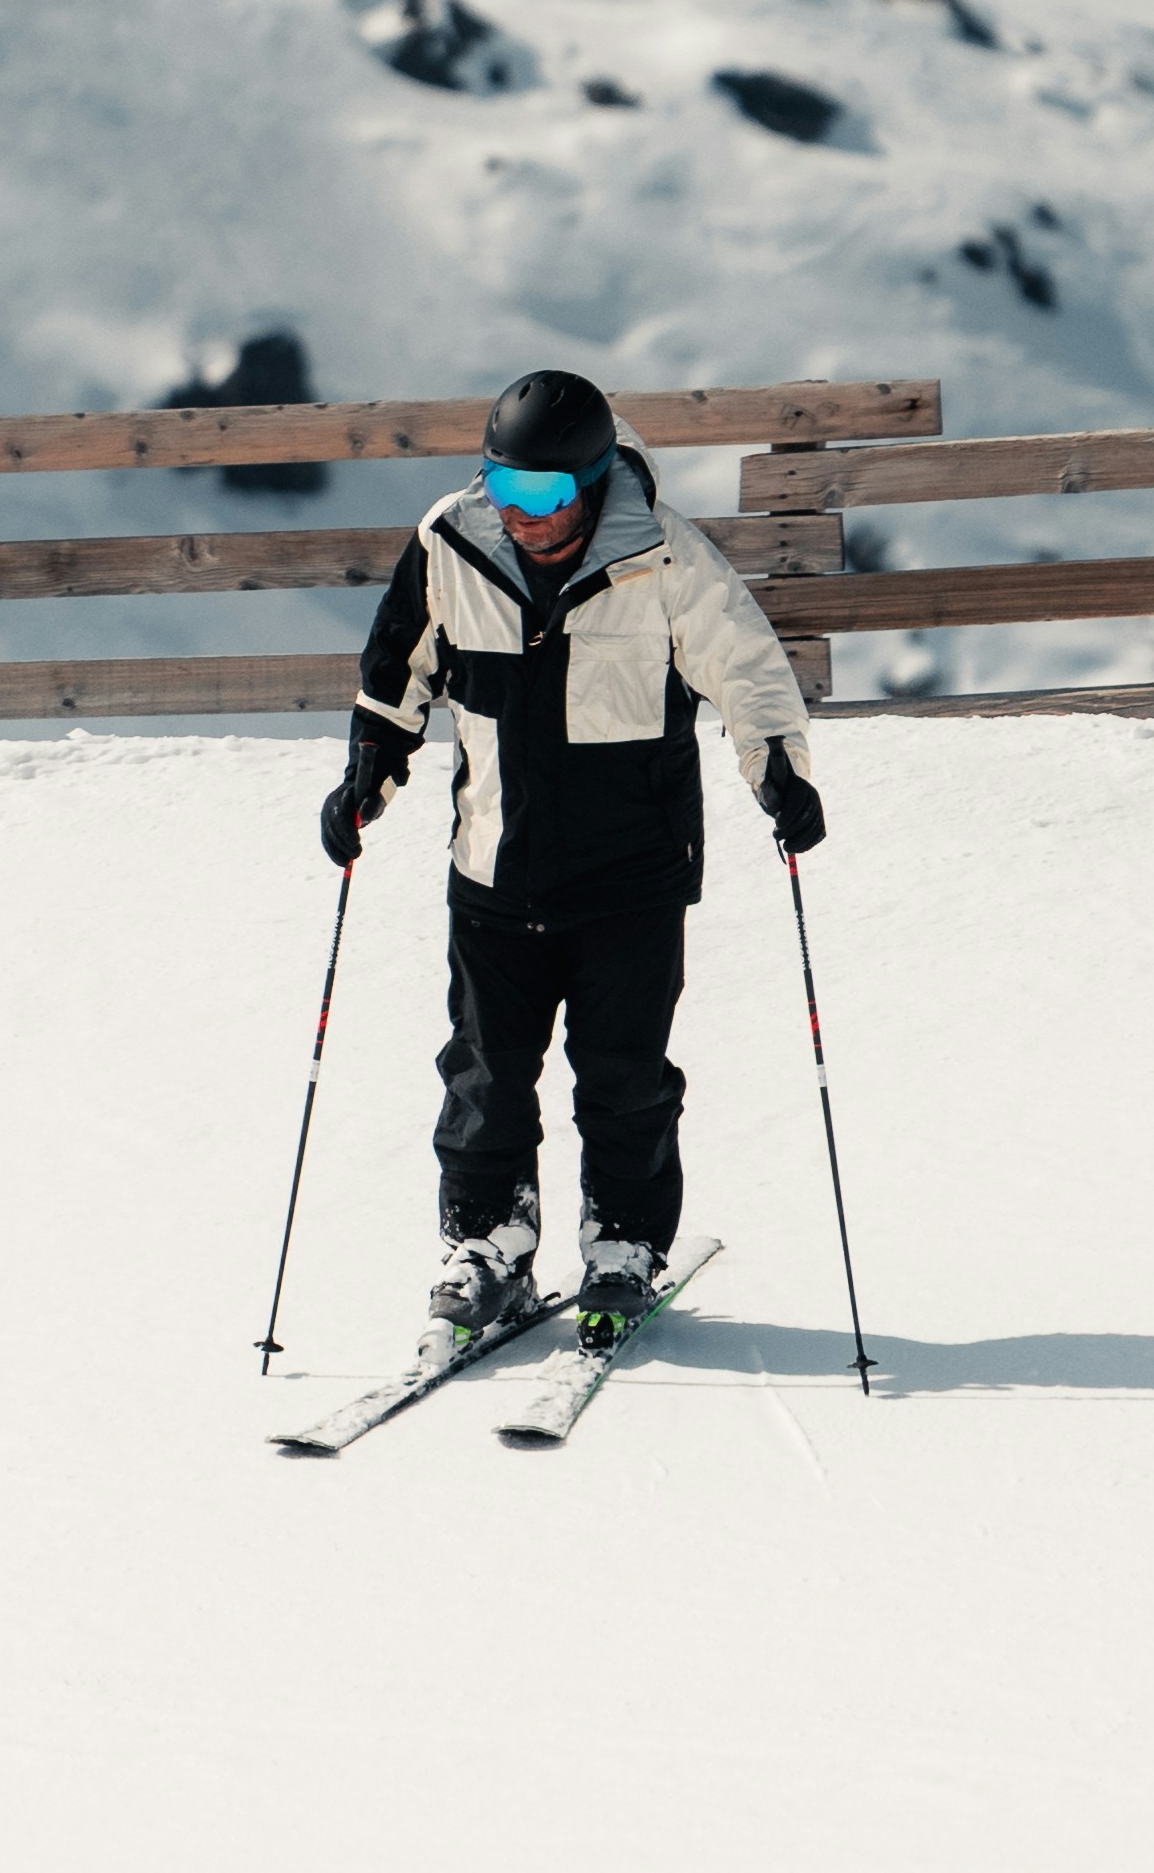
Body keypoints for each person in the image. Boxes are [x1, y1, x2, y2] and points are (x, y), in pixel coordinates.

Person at [324, 360, 825, 1361]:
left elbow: (748, 668)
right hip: (496, 870)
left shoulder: (665, 557)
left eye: (547, 493)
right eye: (506, 488)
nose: (524, 513)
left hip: (629, 875)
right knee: (484, 1077)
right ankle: (486, 1244)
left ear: (592, 480)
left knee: (624, 1076)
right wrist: (368, 772)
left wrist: (779, 771)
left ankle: (623, 1243)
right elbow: (398, 669)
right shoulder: (449, 541)